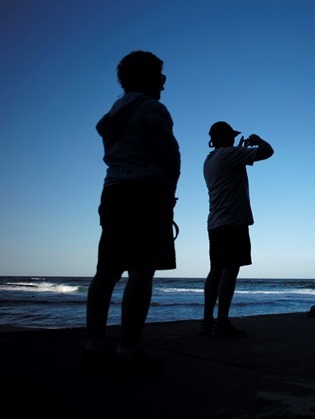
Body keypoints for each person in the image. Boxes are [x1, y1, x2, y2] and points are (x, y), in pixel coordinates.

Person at [81, 50, 180, 374]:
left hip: (113, 193)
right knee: (141, 272)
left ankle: (94, 346)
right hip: (146, 194)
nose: (163, 85)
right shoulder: (153, 109)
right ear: (148, 78)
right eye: (160, 78)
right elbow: (169, 157)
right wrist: (169, 197)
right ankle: (128, 351)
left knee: (106, 272)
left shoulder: (115, 113)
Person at [201, 121, 274, 338]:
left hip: (215, 223)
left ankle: (207, 322)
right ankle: (221, 322)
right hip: (233, 222)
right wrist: (257, 140)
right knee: (230, 271)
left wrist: (241, 151)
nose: (234, 139)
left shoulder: (210, 159)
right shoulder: (229, 154)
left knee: (216, 270)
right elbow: (268, 152)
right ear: (226, 137)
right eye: (231, 136)